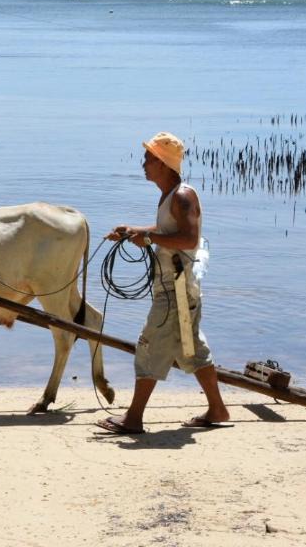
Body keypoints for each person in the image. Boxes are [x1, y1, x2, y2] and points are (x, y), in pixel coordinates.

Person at [97, 132, 230, 434]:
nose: (143, 164)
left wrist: (149, 238)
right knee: (191, 348)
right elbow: (168, 229)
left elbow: (189, 239)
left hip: (176, 290)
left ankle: (133, 418)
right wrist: (135, 230)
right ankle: (218, 409)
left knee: (148, 345)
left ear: (162, 163)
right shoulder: (172, 195)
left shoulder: (183, 196)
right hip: (179, 287)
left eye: (148, 159)